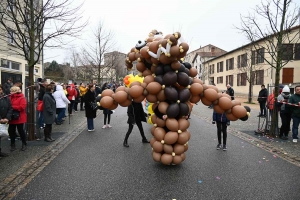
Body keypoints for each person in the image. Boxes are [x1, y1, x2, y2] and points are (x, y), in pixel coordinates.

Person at [8, 86, 27, 151]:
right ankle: (12, 144)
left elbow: (22, 107)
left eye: (12, 91)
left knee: (21, 131)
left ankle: (24, 144)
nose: (10, 92)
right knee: (11, 131)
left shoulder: (22, 98)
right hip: (12, 117)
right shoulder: (9, 97)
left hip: (20, 117)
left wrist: (12, 107)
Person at [0, 84, 13, 157]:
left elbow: (10, 108)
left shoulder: (6, 98)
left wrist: (7, 118)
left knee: (1, 136)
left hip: (5, 120)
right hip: (1, 120)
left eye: (0, 89)